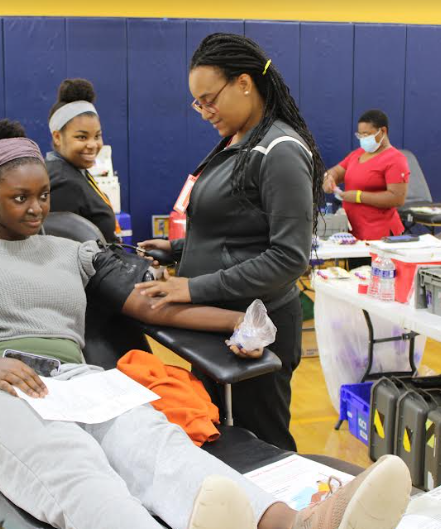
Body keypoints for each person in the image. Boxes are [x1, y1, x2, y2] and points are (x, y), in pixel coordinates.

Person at [0, 119, 412, 529]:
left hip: (73, 383)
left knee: (159, 445)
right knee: (77, 466)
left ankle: (290, 523)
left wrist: (238, 318)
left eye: (43, 196)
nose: (36, 210)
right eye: (19, 199)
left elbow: (150, 304)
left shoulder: (69, 252)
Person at [138, 33, 325, 451]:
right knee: (226, 441)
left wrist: (192, 286)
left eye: (209, 99)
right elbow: (237, 233)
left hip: (258, 328)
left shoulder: (279, 150)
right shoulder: (239, 141)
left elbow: (288, 257)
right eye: (197, 103)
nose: (204, 112)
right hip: (218, 323)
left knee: (264, 445)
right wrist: (180, 252)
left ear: (244, 83)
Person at [46, 78, 119, 242]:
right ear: (57, 137)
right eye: (81, 137)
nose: (93, 145)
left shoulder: (75, 171)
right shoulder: (63, 183)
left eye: (97, 136)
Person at [322, 109, 410, 240]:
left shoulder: (395, 159)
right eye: (360, 135)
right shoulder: (357, 154)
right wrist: (328, 178)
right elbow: (335, 171)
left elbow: (397, 198)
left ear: (383, 131)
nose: (363, 138)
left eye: (367, 134)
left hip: (380, 235)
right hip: (353, 233)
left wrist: (359, 196)